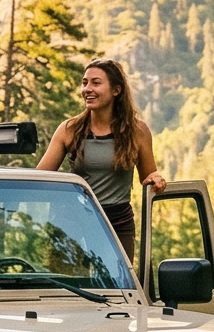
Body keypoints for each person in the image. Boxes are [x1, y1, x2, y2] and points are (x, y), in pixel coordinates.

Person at [36, 58, 164, 260]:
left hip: (117, 224)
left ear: (116, 90)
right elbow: (39, 178)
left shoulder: (137, 131)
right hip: (73, 221)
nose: (88, 89)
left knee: (118, 288)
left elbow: (148, 176)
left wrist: (156, 179)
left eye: (96, 83)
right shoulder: (69, 130)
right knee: (69, 287)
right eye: (85, 83)